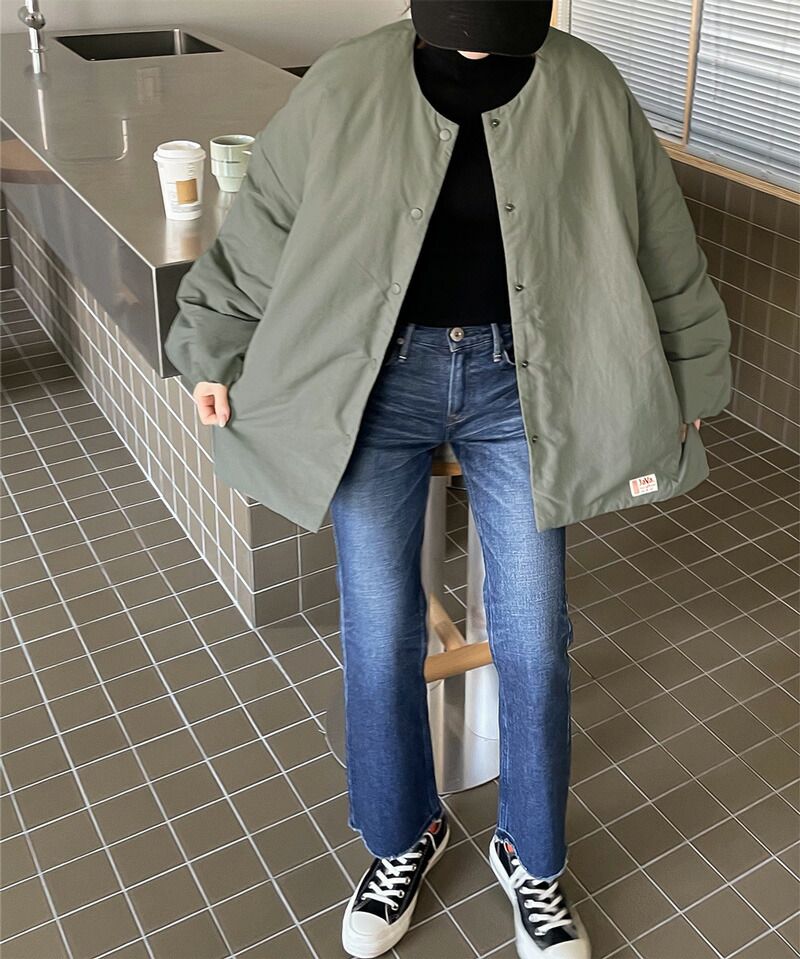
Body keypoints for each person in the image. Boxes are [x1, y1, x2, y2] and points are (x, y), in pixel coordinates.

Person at [164, 2, 731, 957]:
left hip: (525, 381)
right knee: (378, 629)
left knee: (534, 635)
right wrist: (211, 346)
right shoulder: (347, 80)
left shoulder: (589, 86)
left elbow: (662, 242)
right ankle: (401, 835)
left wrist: (693, 373)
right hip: (376, 381)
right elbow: (264, 225)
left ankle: (532, 855)